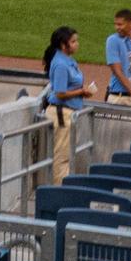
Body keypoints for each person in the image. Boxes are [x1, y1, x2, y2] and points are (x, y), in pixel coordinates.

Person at [41, 27, 95, 181]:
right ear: (63, 45)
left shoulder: (68, 60)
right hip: (61, 114)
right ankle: (59, 195)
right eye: (73, 41)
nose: (77, 44)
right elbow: (60, 93)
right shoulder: (61, 64)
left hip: (66, 113)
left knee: (66, 156)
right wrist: (81, 92)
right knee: (61, 157)